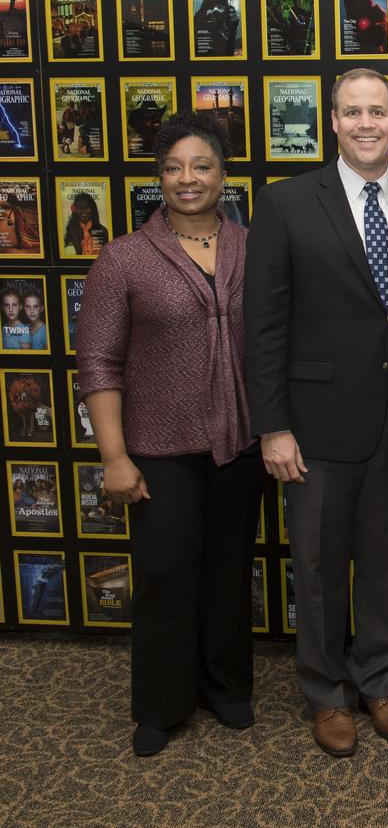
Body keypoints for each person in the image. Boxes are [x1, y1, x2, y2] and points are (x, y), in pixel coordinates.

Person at [244, 68, 388, 758]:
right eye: (351, 112)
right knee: (321, 565)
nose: (366, 123)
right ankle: (327, 691)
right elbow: (264, 324)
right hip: (315, 424)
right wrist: (272, 424)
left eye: (378, 112)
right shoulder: (286, 204)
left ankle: (377, 680)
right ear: (332, 122)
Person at [76, 110, 265, 757]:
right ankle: (161, 704)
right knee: (164, 575)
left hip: (240, 446)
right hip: (158, 450)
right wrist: (115, 457)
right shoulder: (123, 258)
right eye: (174, 167)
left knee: (229, 571)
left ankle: (225, 687)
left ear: (224, 174)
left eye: (202, 166)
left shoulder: (254, 249)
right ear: (160, 177)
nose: (189, 179)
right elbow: (97, 361)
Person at [63, 192, 109, 257]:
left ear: (92, 209)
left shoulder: (103, 230)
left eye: (87, 208)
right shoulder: (71, 229)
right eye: (80, 208)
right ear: (76, 210)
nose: (83, 211)